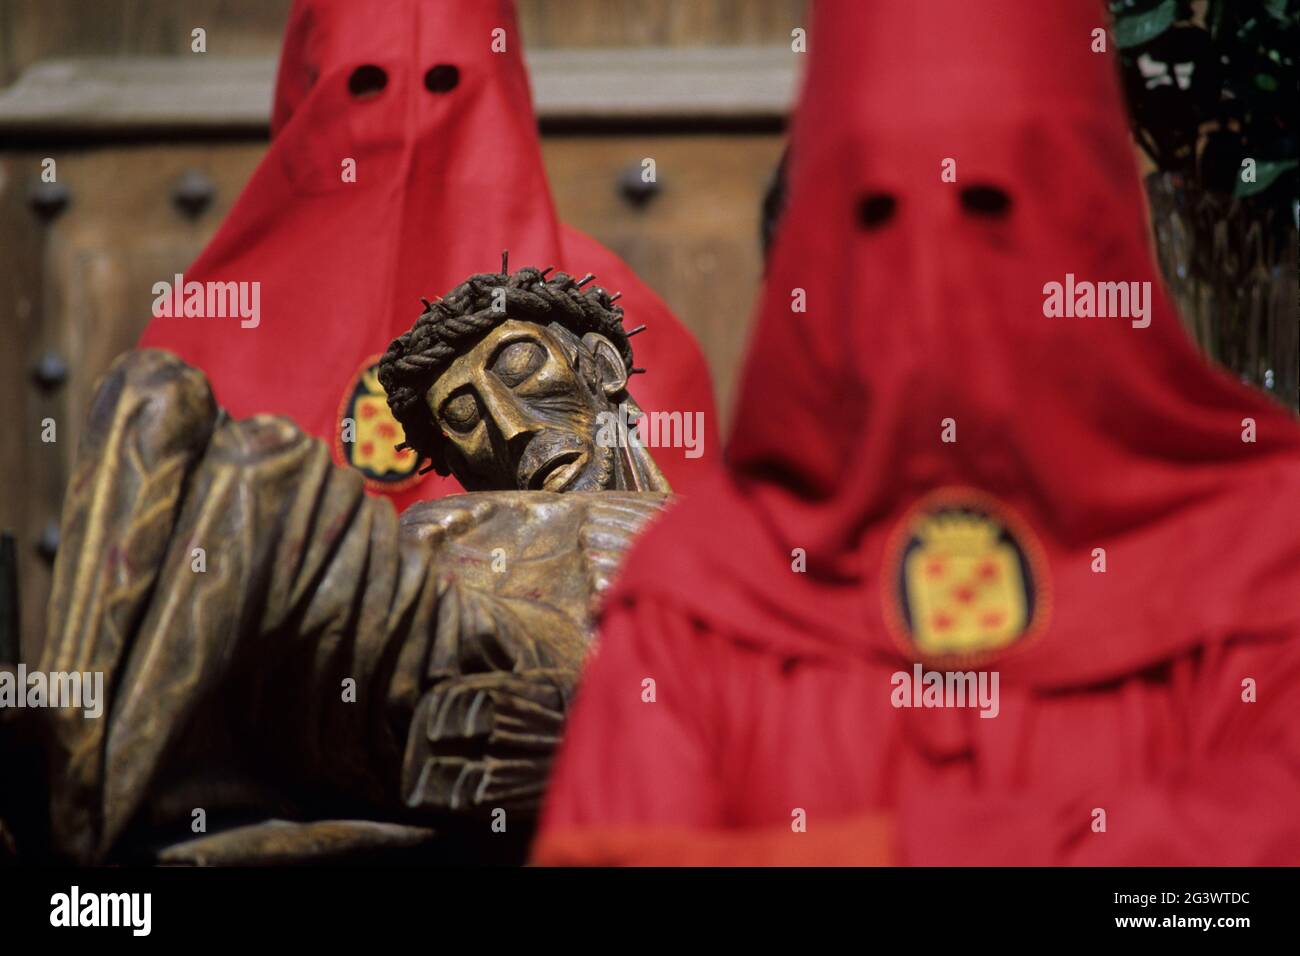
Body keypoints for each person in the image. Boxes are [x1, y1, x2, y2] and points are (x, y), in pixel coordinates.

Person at [532, 0, 1300, 866]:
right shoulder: (696, 601)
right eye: (875, 215)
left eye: (992, 207)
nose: (936, 270)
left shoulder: (1264, 562)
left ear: (1098, 235)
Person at [139, 0, 716, 510]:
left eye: (447, 81)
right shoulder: (199, 335)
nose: (408, 125)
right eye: (365, 84)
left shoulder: (627, 324)